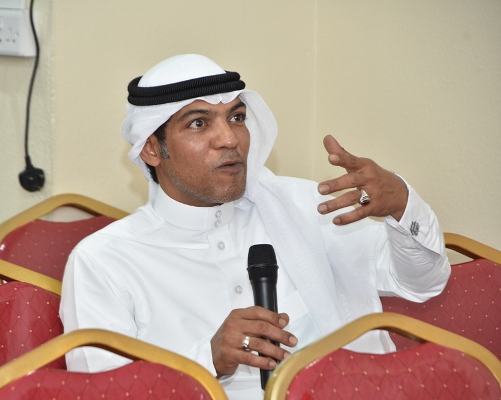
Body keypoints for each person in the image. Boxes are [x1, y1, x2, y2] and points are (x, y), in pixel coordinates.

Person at [59, 54, 450, 399]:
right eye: (198, 123)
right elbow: (101, 392)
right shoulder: (104, 261)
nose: (229, 139)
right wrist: (207, 359)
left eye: (237, 118)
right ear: (151, 148)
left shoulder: (305, 205)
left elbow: (422, 284)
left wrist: (402, 204)